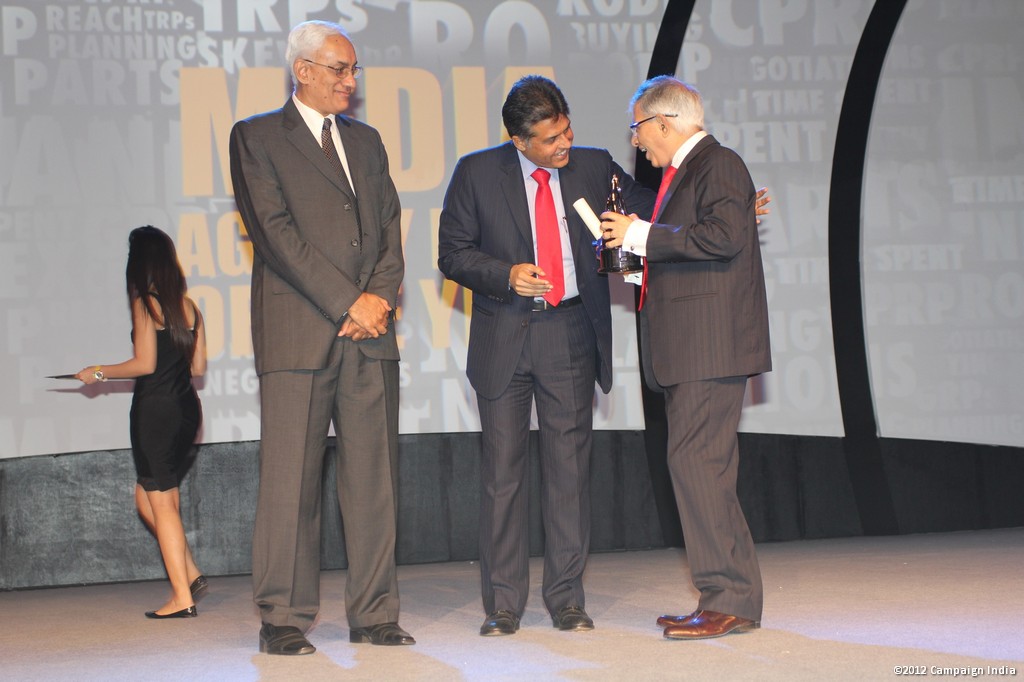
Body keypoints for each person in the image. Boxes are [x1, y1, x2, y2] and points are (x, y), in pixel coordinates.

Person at [438, 75, 657, 636]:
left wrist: (722, 206)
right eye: (551, 139)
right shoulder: (475, 172)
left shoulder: (595, 166)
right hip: (505, 334)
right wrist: (505, 274)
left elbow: (652, 208)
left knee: (569, 474)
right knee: (502, 476)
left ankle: (567, 599)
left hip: (569, 332)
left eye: (567, 130)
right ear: (519, 140)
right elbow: (453, 254)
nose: (565, 144)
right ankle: (503, 604)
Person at [229, 20, 411, 654]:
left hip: (370, 334)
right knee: (291, 484)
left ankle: (375, 612)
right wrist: (347, 301)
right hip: (299, 332)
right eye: (339, 69)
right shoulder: (256, 137)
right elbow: (275, 234)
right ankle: (282, 617)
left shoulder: (367, 140)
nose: (349, 81)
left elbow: (389, 228)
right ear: (302, 70)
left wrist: (378, 299)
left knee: (374, 482)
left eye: (353, 69)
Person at [601, 75, 772, 641]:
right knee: (701, 469)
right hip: (695, 349)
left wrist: (641, 235)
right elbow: (697, 246)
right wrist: (635, 256)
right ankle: (728, 597)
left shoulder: (717, 164)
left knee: (699, 468)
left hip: (708, 348)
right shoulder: (688, 173)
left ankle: (729, 599)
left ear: (663, 122)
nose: (636, 141)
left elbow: (721, 238)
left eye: (638, 129)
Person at [75, 225, 208, 619]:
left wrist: (98, 372)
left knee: (162, 502)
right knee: (147, 497)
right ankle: (191, 575)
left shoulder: (146, 304)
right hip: (186, 410)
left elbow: (145, 364)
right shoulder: (189, 307)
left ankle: (181, 597)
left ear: (140, 264)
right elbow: (198, 367)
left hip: (155, 412)